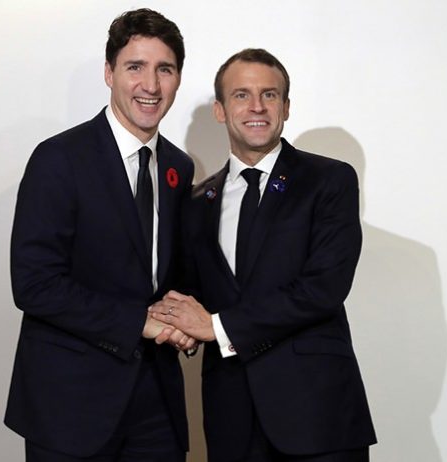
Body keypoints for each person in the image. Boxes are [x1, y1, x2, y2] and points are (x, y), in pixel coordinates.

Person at [149, 49, 377, 462]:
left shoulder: (329, 180)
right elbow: (190, 295)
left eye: (269, 95)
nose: (256, 106)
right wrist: (176, 324)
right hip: (230, 416)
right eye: (241, 95)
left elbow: (323, 289)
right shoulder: (197, 202)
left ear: (285, 107)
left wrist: (215, 327)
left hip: (318, 415)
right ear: (220, 110)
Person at [4, 9, 196, 462]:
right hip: (71, 403)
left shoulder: (178, 167)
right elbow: (34, 284)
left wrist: (186, 319)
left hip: (157, 403)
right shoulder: (58, 158)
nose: (151, 85)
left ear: (178, 79)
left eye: (164, 69)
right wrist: (138, 322)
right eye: (135, 67)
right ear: (109, 73)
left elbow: (168, 273)